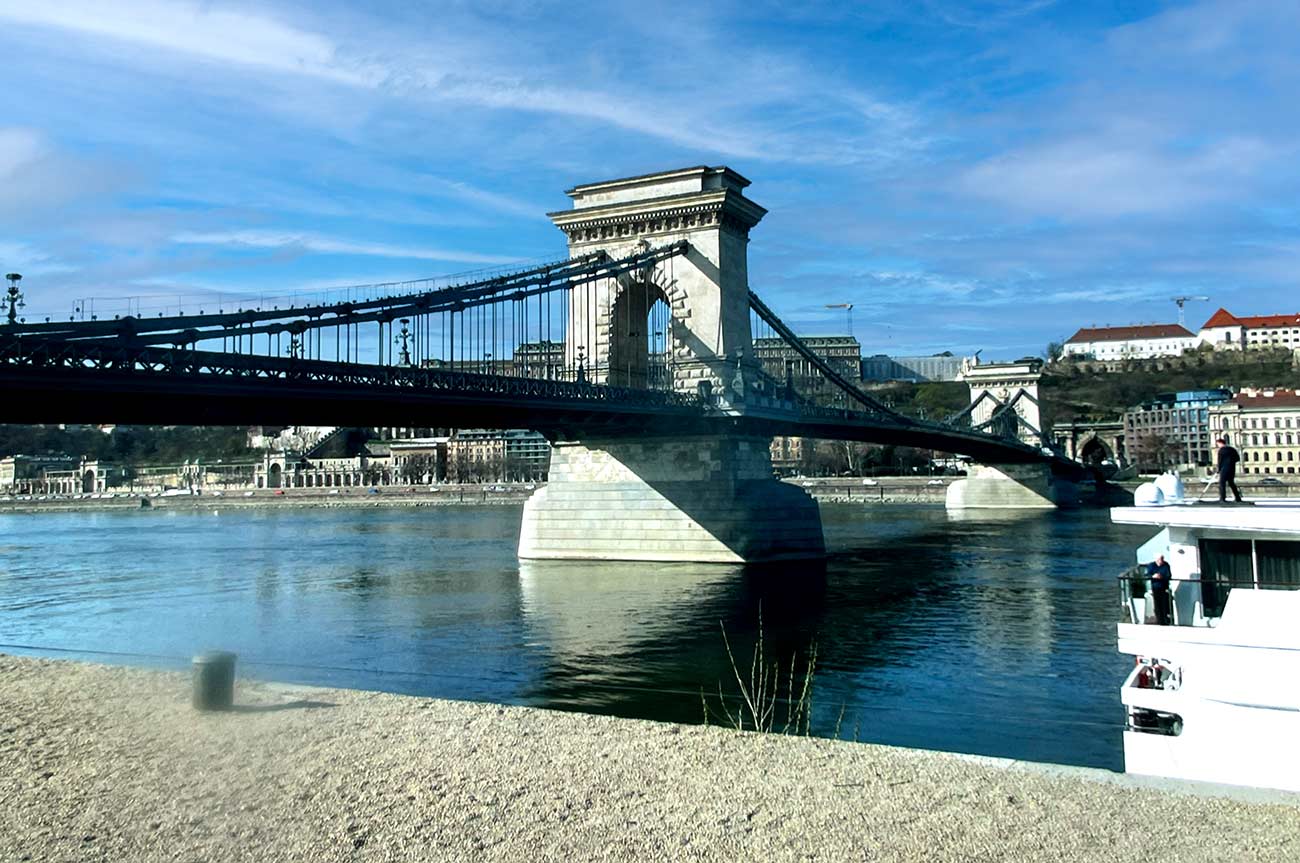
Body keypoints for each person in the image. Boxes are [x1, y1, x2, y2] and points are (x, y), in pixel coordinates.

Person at [1215, 436, 1243, 503]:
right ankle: (1237, 497)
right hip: (1232, 468)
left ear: (1220, 443)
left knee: (1222, 483)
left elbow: (1220, 461)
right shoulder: (1232, 449)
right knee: (1231, 483)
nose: (1217, 446)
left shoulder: (1221, 450)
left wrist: (1218, 469)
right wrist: (1230, 462)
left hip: (1224, 469)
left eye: (1217, 444)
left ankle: (1222, 498)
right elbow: (1237, 459)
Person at [1147, 553, 1172, 625]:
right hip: (1156, 587)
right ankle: (1159, 620)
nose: (1161, 560)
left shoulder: (1166, 565)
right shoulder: (1151, 565)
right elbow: (1148, 575)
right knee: (1157, 604)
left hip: (1164, 587)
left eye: (1162, 559)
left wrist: (1162, 577)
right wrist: (1153, 576)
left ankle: (1165, 619)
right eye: (1160, 559)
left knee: (1164, 603)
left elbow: (1168, 575)